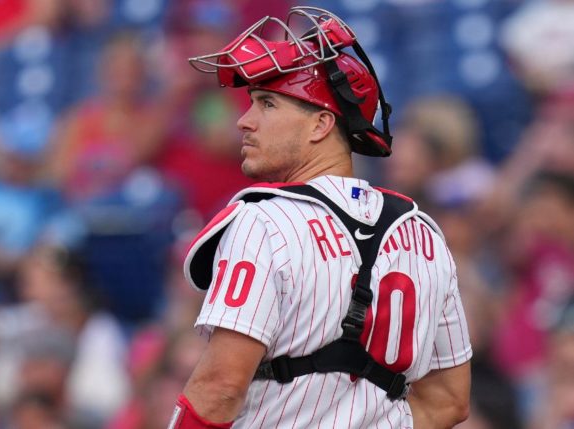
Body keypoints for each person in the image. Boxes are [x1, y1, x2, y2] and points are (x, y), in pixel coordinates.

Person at [170, 7, 472, 429]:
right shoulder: (423, 232)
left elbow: (219, 388)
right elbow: (448, 401)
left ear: (320, 124)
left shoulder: (264, 222)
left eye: (267, 104)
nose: (244, 121)